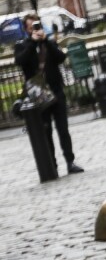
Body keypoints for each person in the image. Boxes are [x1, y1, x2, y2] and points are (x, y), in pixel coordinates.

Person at [15, 14, 82, 175]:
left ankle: (70, 161)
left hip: (56, 92)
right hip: (38, 95)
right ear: (26, 29)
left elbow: (61, 57)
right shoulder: (22, 45)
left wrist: (45, 41)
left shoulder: (49, 43)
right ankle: (52, 165)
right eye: (32, 27)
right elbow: (20, 61)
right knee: (46, 131)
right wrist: (32, 42)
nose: (35, 29)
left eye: (37, 26)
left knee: (63, 129)